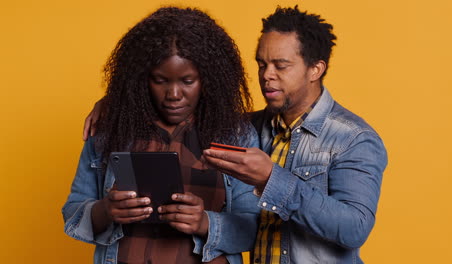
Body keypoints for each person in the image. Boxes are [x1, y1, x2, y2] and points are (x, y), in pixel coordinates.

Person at [62, 7, 261, 264]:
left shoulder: (237, 136)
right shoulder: (110, 130)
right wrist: (106, 210)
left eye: (188, 81)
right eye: (160, 80)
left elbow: (254, 229)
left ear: (208, 79)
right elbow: (73, 212)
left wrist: (203, 223)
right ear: (141, 78)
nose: (174, 94)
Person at [202, 6, 388, 264]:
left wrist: (270, 178)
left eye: (281, 66)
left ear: (315, 70)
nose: (267, 75)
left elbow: (354, 228)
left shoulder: (353, 138)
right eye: (262, 64)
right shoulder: (247, 128)